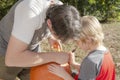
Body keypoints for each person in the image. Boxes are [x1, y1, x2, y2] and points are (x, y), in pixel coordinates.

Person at [0, 0, 81, 80]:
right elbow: (11, 59)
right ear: (49, 23)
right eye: (58, 36)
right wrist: (53, 56)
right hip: (6, 49)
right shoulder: (30, 14)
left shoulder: (58, 9)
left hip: (32, 49)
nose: (58, 39)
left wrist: (51, 37)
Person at [48, 16, 116, 80]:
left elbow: (90, 67)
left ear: (88, 39)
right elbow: (91, 72)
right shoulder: (106, 53)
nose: (76, 44)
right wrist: (73, 63)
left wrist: (63, 74)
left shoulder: (91, 60)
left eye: (77, 41)